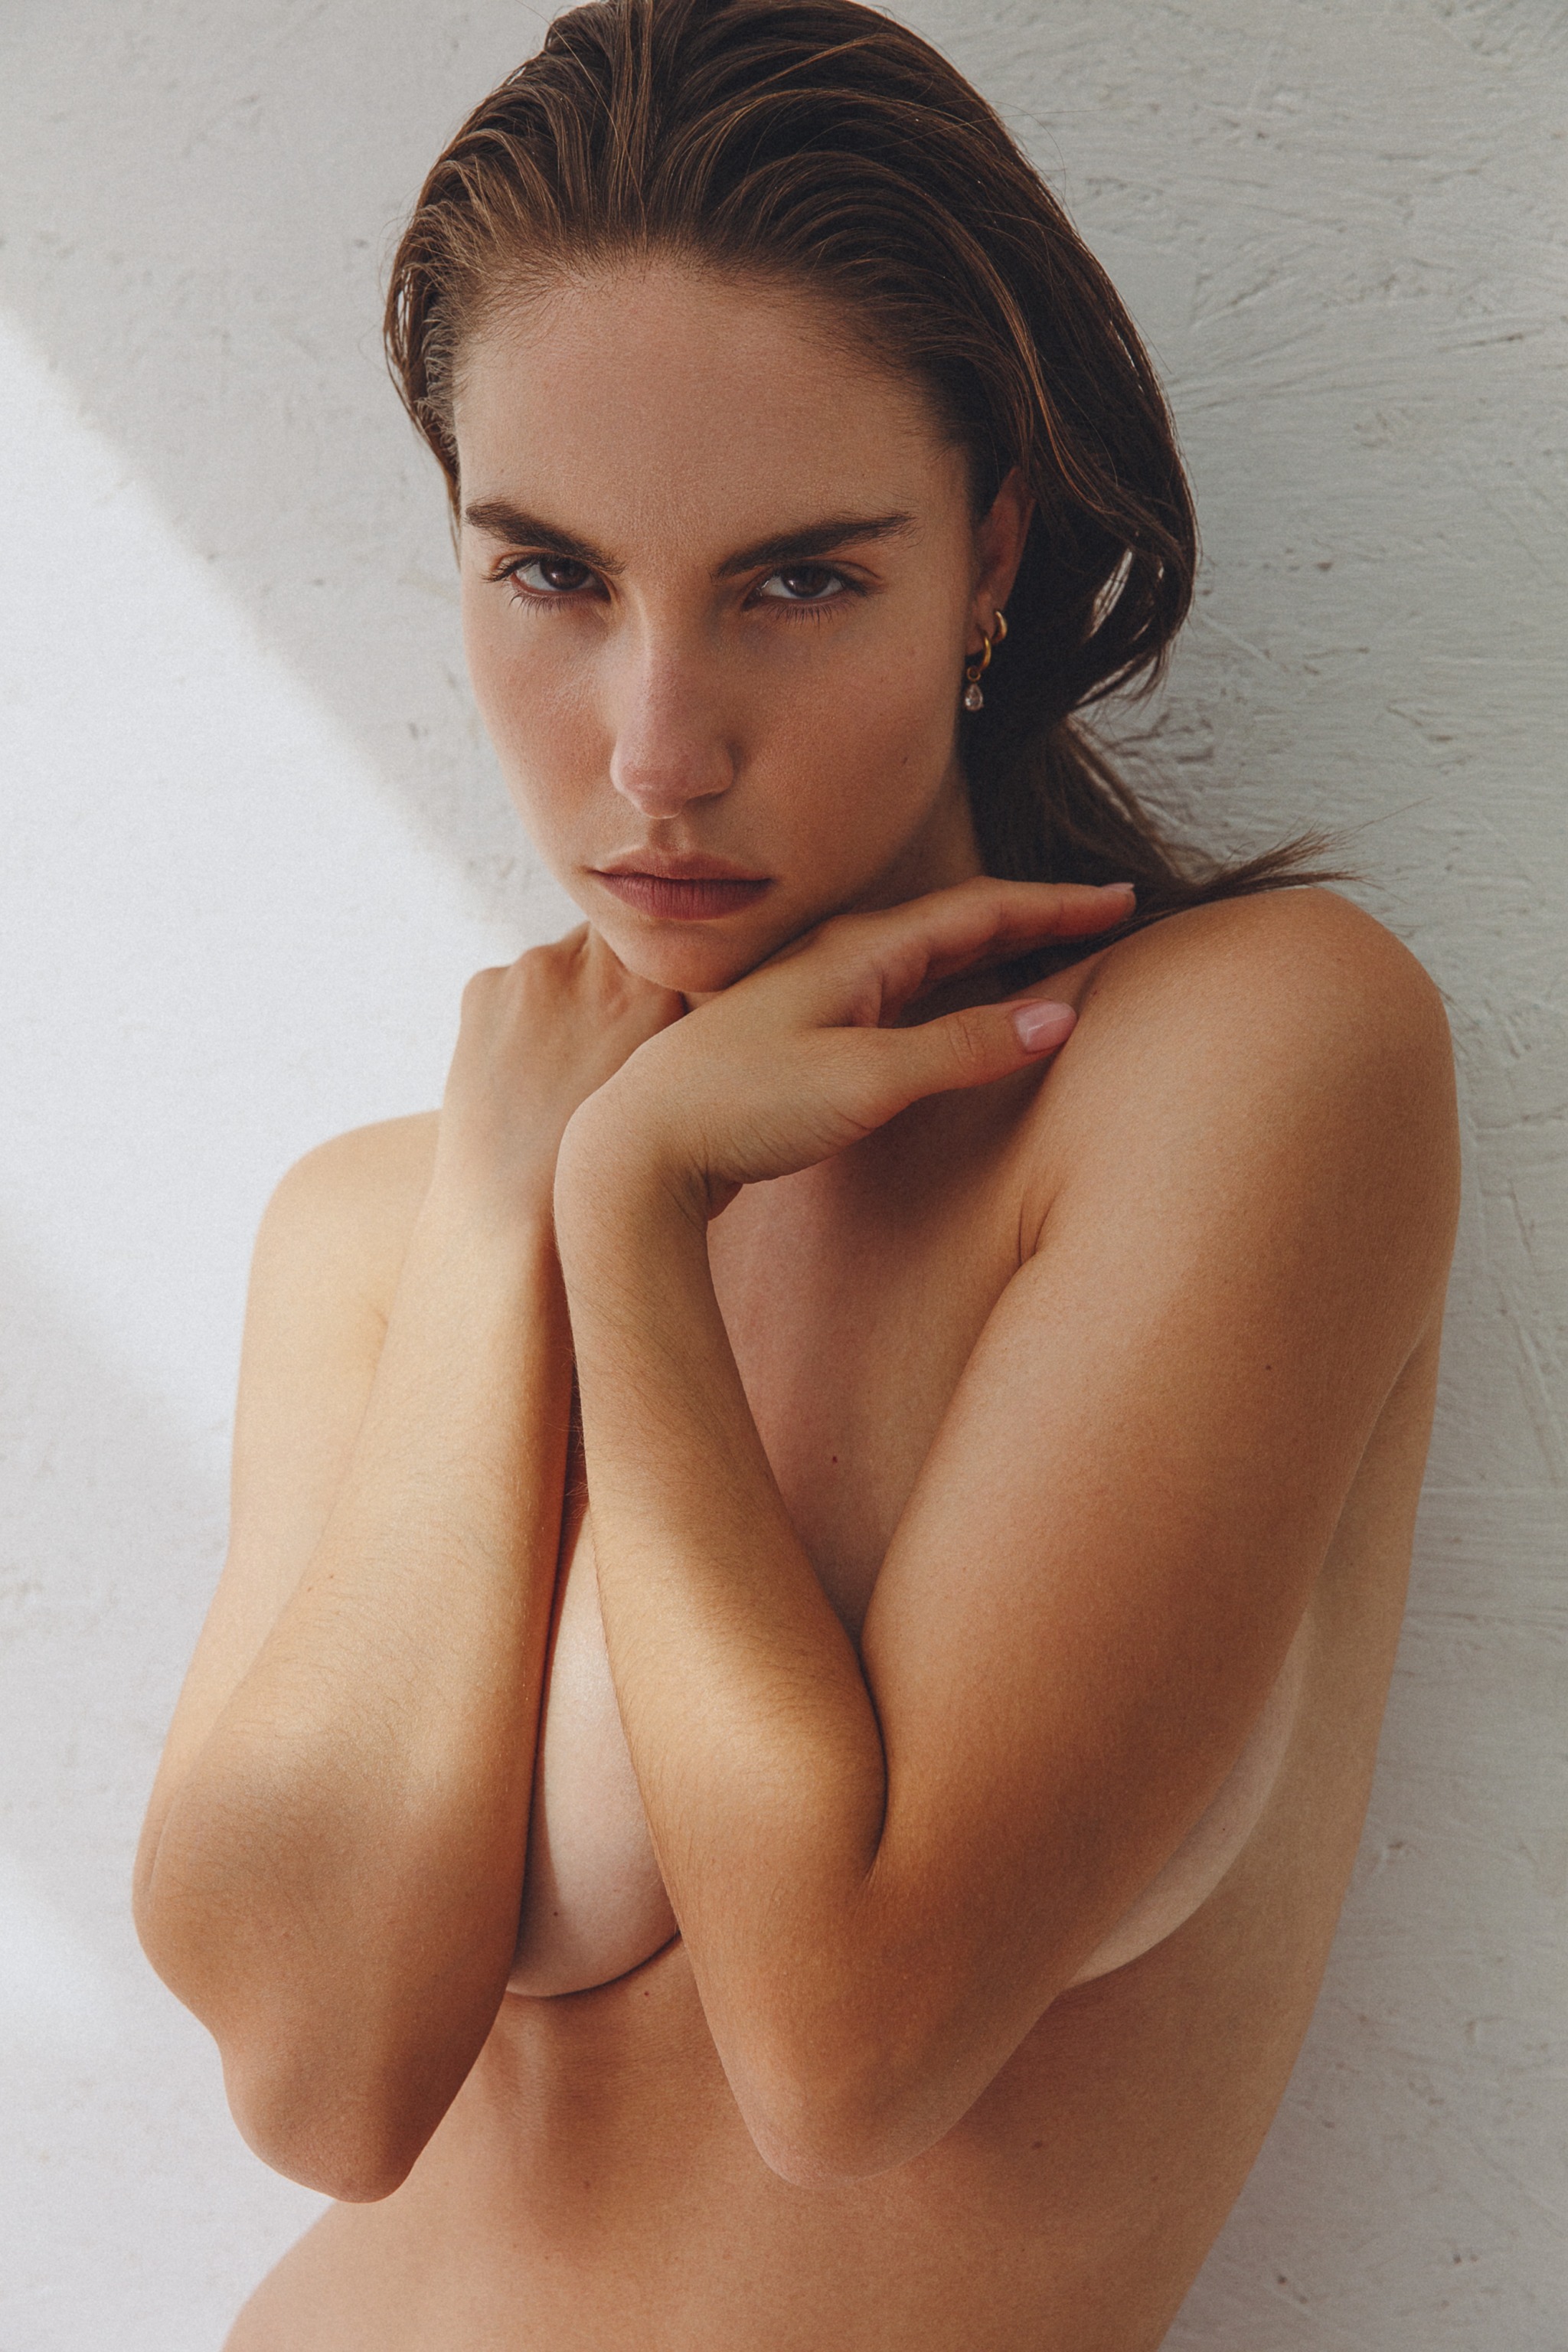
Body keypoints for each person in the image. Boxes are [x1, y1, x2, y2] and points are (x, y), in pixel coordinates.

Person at [131, 3, 1459, 2345]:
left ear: (990, 558)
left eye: (797, 581)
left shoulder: (1245, 1063)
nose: (657, 750)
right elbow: (323, 2088)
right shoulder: (380, 1230)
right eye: (553, 574)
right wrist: (506, 1215)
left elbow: (850, 2050)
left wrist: (630, 1232)